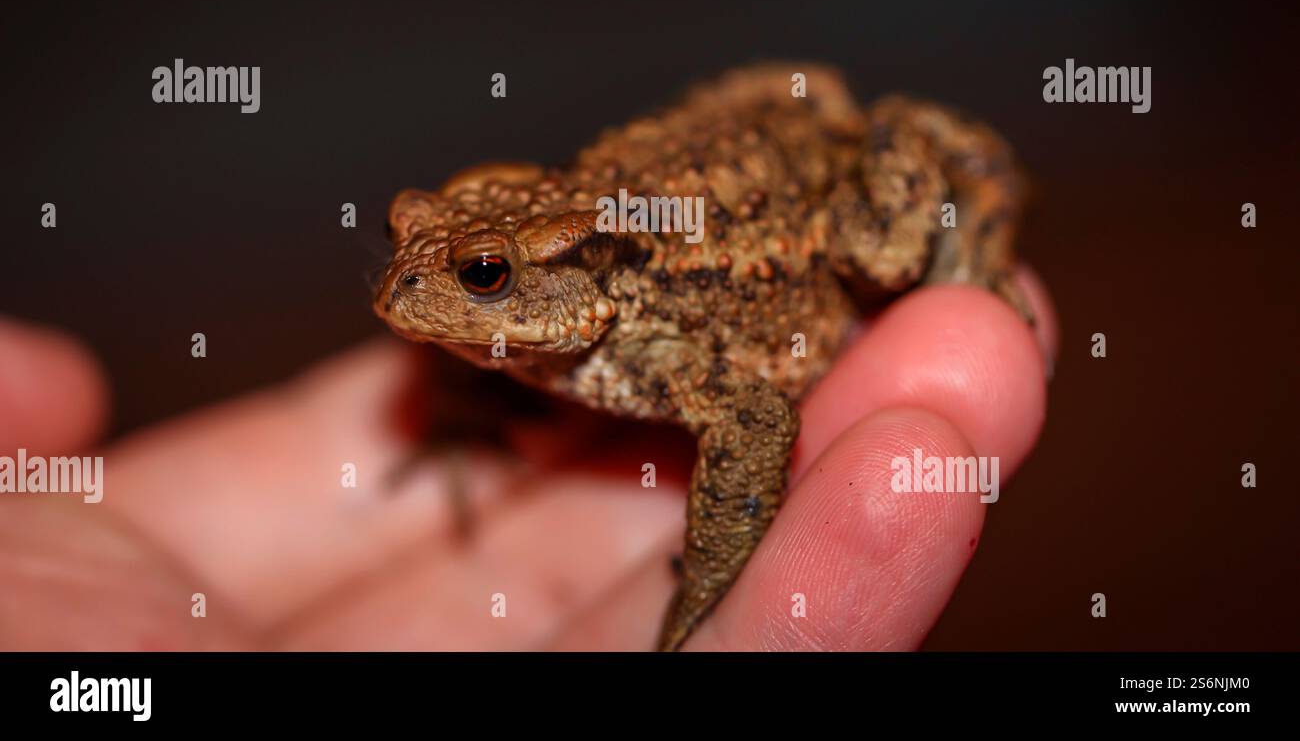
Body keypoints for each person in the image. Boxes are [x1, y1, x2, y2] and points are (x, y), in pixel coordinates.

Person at [0, 271, 1055, 651]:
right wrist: (460, 401)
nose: (407, 286)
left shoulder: (646, 335)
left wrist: (717, 559)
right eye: (402, 238)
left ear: (557, 287)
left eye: (488, 278)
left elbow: (754, 422)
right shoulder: (515, 332)